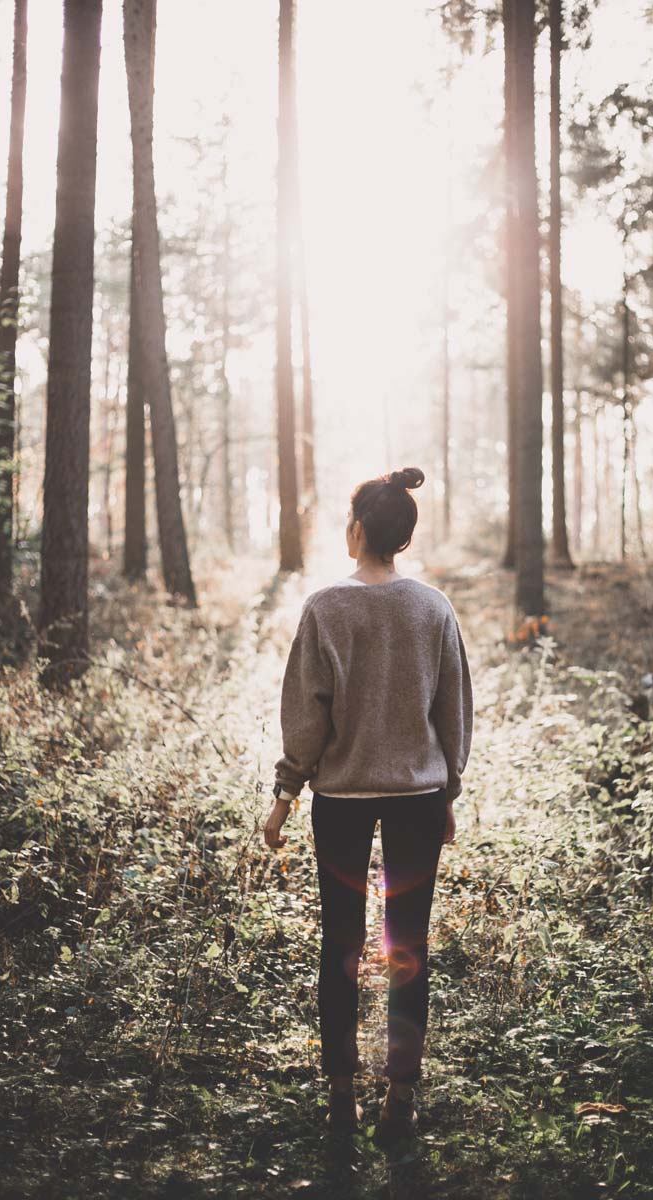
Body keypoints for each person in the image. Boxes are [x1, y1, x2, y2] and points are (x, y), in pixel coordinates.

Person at [264, 466, 474, 1139]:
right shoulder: (433, 608)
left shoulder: (327, 607)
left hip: (342, 802)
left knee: (342, 944)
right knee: (409, 943)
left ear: (357, 530)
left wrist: (285, 792)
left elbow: (306, 717)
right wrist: (451, 790)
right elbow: (453, 713)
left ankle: (340, 1097)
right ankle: (400, 1103)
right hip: (418, 797)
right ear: (402, 539)